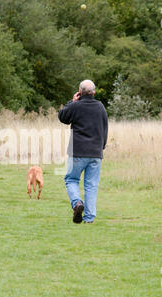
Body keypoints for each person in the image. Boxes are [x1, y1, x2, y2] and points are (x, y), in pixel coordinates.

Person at [58, 80, 108, 224]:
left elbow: (62, 117)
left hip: (77, 151)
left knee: (71, 180)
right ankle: (89, 218)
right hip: (95, 153)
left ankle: (77, 203)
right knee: (91, 185)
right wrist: (101, 147)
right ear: (94, 92)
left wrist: (71, 102)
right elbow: (105, 128)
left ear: (79, 92)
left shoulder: (75, 106)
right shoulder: (100, 107)